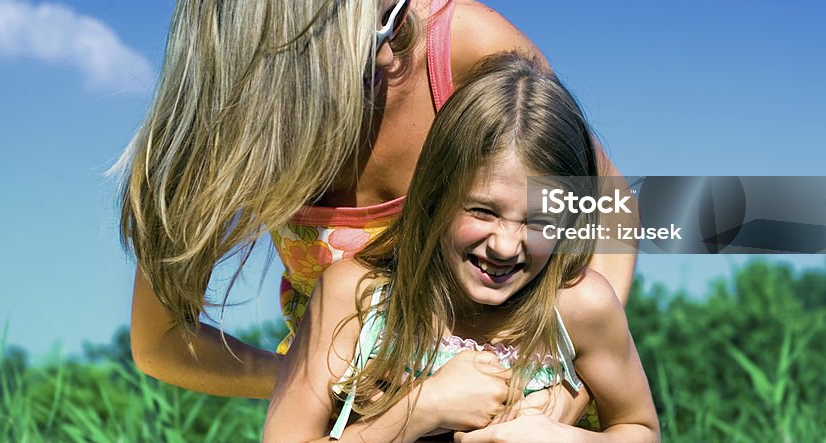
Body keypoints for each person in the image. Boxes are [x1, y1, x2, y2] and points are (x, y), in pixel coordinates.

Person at [118, 0, 638, 403]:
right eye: (361, 42)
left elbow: (611, 210)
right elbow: (162, 344)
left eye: (397, 8)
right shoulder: (214, 142)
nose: (393, 57)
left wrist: (561, 388)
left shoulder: (468, 55)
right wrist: (321, 386)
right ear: (273, 52)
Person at [265, 54, 659, 442]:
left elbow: (640, 430)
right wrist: (420, 411)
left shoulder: (579, 309)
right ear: (436, 195)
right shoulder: (359, 298)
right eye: (483, 211)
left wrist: (558, 437)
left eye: (539, 222)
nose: (505, 246)